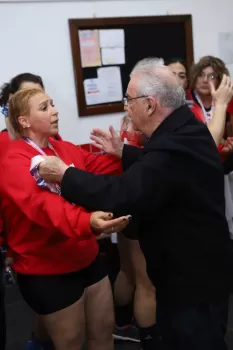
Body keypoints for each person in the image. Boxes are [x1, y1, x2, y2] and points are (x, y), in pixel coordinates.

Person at [39, 58, 233, 350]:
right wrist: (125, 152)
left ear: (150, 105)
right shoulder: (183, 126)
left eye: (129, 99)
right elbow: (160, 167)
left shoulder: (170, 146)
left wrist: (66, 175)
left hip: (191, 283)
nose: (126, 106)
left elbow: (123, 192)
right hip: (197, 272)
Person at [0, 87, 131, 350]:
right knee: (70, 343)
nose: (55, 110)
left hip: (85, 255)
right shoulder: (13, 160)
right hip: (47, 268)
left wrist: (130, 151)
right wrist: (87, 222)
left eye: (53, 104)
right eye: (45, 107)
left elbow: (99, 169)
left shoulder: (63, 149)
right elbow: (42, 206)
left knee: (104, 332)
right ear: (23, 120)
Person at [0, 73, 62, 350]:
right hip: (27, 238)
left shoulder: (53, 138)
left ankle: (39, 342)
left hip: (57, 233)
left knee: (55, 314)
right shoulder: (5, 144)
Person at [113, 115, 156, 349]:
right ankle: (150, 340)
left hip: (125, 203)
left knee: (128, 271)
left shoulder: (128, 119)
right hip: (137, 205)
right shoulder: (142, 122)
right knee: (146, 282)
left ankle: (120, 324)